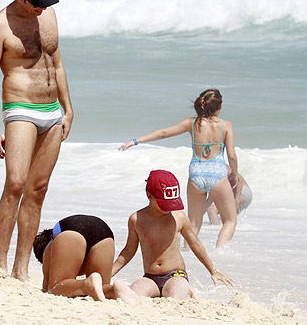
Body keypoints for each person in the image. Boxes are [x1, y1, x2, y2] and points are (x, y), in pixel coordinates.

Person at [0, 0, 74, 280]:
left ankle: (21, 269)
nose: (42, 8)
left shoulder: (48, 15)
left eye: (46, 1)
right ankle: (0, 265)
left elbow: (56, 63)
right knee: (16, 183)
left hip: (51, 110)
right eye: (36, 3)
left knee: (38, 188)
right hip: (20, 107)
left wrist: (68, 108)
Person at [119, 88, 238, 248]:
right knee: (230, 221)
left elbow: (163, 133)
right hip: (217, 174)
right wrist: (234, 174)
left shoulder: (192, 123)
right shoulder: (226, 125)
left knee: (193, 225)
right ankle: (219, 253)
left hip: (196, 174)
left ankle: (188, 256)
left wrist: (135, 141)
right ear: (220, 106)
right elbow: (231, 155)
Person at [112, 170, 234, 299]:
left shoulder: (179, 218)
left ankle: (185, 289)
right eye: (164, 204)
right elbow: (128, 250)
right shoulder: (136, 219)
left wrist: (213, 271)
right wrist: (109, 273)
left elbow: (195, 244)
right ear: (149, 196)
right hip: (150, 278)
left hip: (176, 275)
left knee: (173, 297)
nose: (169, 208)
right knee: (132, 295)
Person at [33, 214, 139, 304]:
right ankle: (115, 288)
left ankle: (86, 284)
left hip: (70, 228)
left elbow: (47, 289)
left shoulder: (49, 247)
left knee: (55, 288)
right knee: (101, 288)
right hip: (103, 230)